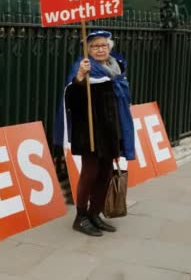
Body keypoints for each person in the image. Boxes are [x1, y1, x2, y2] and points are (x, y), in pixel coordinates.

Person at [54, 30, 135, 237]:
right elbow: (71, 99)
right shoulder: (82, 67)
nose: (100, 49)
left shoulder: (115, 67)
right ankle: (80, 217)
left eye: (103, 45)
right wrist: (80, 77)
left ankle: (95, 213)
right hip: (90, 130)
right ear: (87, 50)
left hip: (110, 129)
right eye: (95, 46)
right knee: (90, 172)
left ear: (110, 47)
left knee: (106, 173)